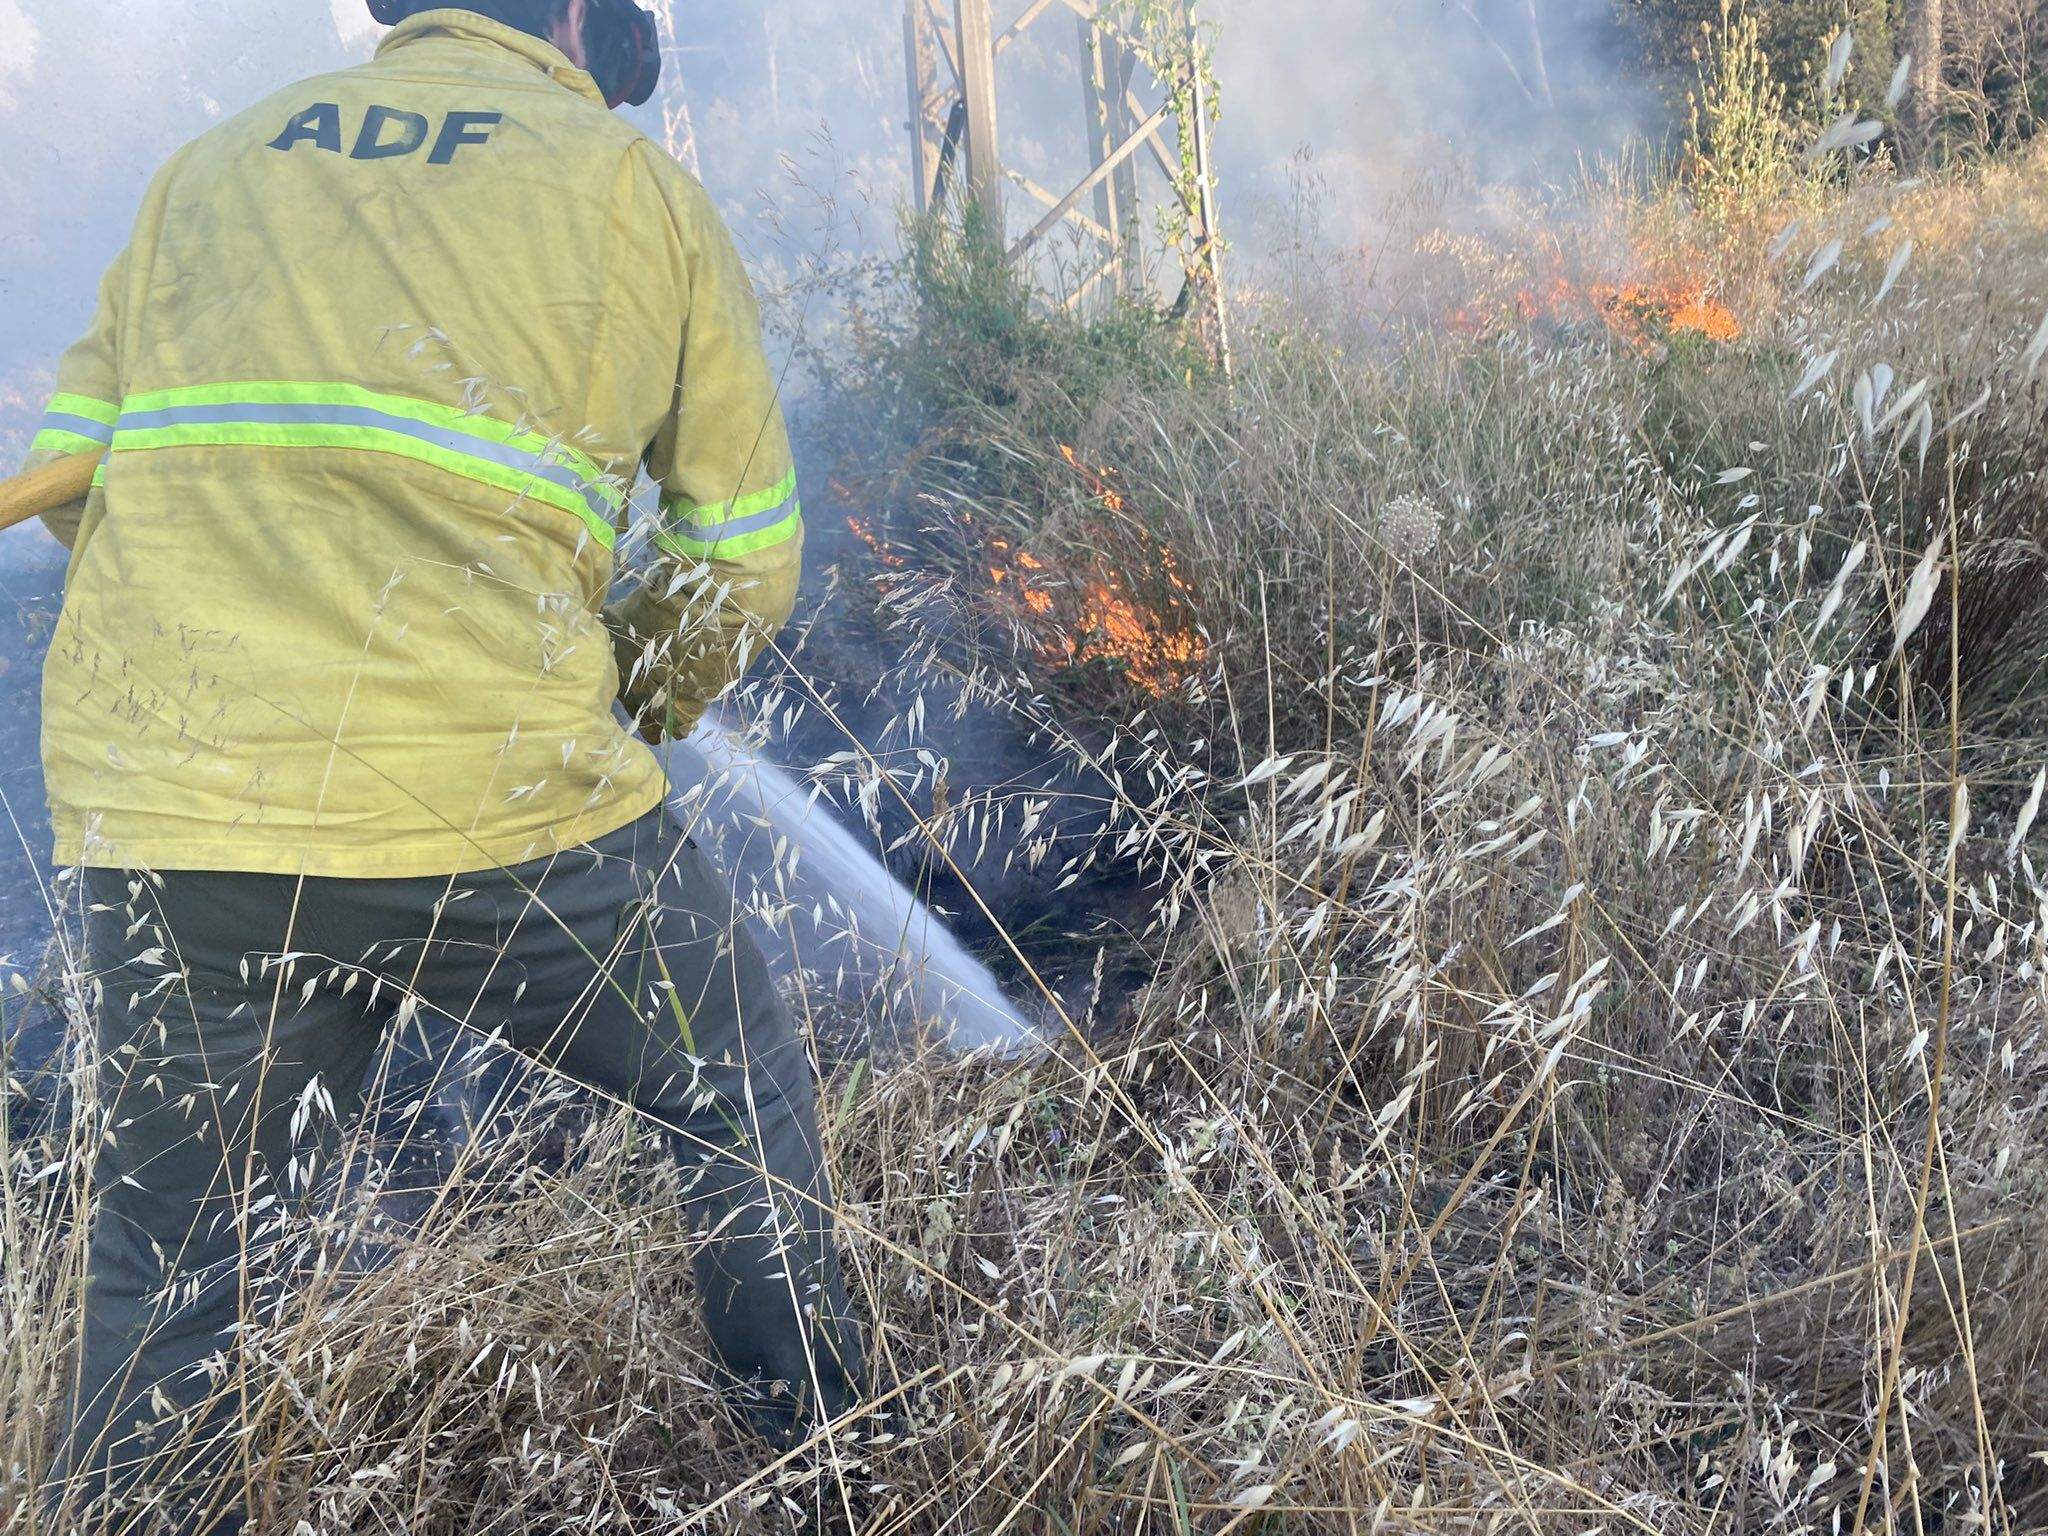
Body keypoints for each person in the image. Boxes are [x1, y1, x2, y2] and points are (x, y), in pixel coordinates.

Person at [21, 1, 864, 1528]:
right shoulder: (628, 184)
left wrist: (247, 630)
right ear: (572, 17)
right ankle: (836, 1469)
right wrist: (629, 687)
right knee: (736, 1081)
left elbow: (77, 483)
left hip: (181, 808)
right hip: (503, 802)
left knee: (172, 1267)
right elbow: (746, 559)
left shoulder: (210, 169)